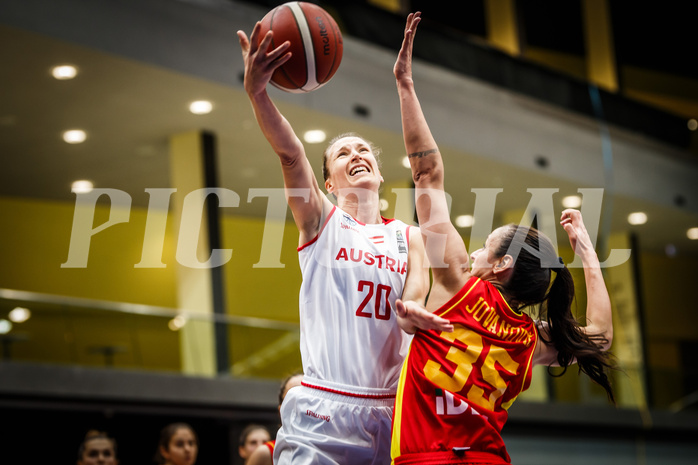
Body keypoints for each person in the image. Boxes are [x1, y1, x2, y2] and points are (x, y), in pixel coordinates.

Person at [390, 12, 615, 464]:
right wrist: (588, 254)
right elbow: (602, 337)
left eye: (484, 245)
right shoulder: (528, 339)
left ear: (502, 265)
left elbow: (427, 174)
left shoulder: (456, 285)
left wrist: (405, 86)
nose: (472, 251)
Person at [236, 18, 451, 465]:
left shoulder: (407, 236)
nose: (356, 155)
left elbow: (412, 302)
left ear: (378, 169)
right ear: (329, 183)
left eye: (363, 150)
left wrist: (415, 313)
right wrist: (258, 93)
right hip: (325, 410)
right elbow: (291, 153)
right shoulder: (320, 221)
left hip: (394, 410)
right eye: (341, 154)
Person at [247, 372, 304, 465]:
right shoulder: (265, 454)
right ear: (280, 409)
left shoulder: (332, 446)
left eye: (305, 398)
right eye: (291, 399)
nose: (299, 405)